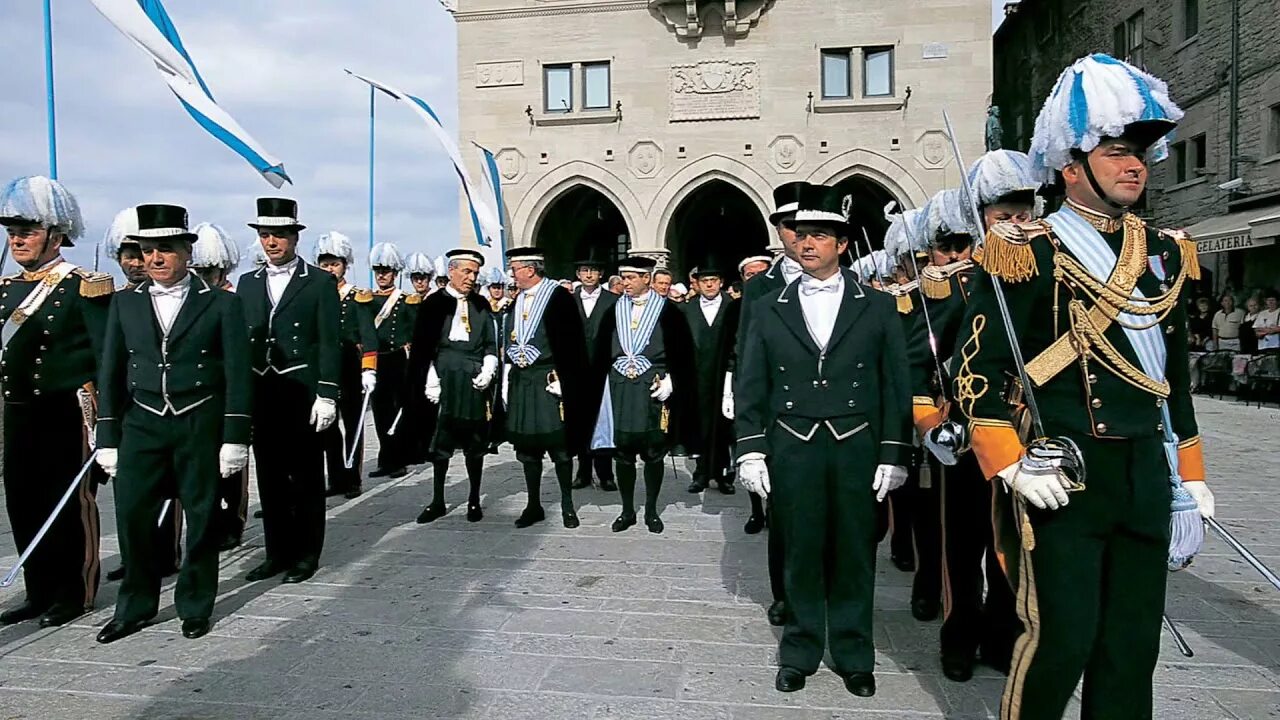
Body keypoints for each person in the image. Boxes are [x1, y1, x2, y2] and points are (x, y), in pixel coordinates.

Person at [951, 54, 1215, 719]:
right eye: (1118, 151)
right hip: (1066, 477)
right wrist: (1009, 463)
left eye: (1142, 155)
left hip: (1144, 479)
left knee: (1131, 650)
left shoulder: (1164, 252)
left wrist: (1190, 469)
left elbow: (1171, 380)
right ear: (1072, 166)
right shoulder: (1026, 249)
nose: (1136, 166)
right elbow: (977, 372)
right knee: (1061, 641)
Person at [735, 183, 911, 697]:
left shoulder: (877, 306)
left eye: (819, 236)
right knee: (801, 550)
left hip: (857, 442)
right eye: (801, 235)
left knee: (856, 551)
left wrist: (894, 453)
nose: (806, 244)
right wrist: (750, 447)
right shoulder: (769, 306)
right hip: (794, 443)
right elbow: (752, 380)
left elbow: (894, 382)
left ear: (841, 242)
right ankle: (800, 650)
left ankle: (855, 653)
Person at [93, 203, 252, 643]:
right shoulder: (124, 303)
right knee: (133, 516)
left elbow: (237, 372)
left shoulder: (221, 304)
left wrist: (234, 436)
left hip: (198, 420)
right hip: (142, 423)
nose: (154, 259)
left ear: (187, 252)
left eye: (165, 249)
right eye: (146, 251)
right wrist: (107, 435)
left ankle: (195, 605)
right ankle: (136, 606)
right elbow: (110, 371)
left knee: (201, 518)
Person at [914, 163, 1037, 683]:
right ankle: (959, 635)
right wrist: (928, 423)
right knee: (962, 546)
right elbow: (921, 360)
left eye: (1021, 214)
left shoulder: (1046, 272)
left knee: (1013, 543)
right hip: (966, 433)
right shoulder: (954, 284)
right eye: (1001, 215)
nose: (1013, 224)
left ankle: (1003, 634)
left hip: (1028, 431)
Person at [0, 176, 111, 628]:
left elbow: (106, 358)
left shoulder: (83, 286)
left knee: (67, 505)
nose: (17, 239)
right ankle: (39, 589)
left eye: (27, 230)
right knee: (22, 502)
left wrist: (108, 424)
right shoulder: (6, 288)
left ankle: (74, 591)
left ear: (57, 234)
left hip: (67, 411)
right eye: (12, 231)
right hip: (21, 409)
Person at [237, 197, 341, 585]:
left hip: (301, 389)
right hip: (263, 389)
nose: (271, 242)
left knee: (306, 476)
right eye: (265, 235)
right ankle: (276, 552)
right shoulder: (248, 283)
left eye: (279, 235)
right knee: (270, 475)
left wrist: (328, 393)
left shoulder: (318, 282)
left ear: (295, 237)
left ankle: (306, 554)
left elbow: (329, 341)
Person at [731, 181, 808, 627]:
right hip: (780, 420)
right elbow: (748, 358)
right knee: (782, 514)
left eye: (805, 226)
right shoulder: (761, 289)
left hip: (833, 419)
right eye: (788, 227)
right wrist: (750, 438)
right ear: (777, 230)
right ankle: (785, 592)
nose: (797, 235)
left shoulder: (842, 281)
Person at [100, 208, 184, 581]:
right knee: (130, 492)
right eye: (129, 255)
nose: (137, 262)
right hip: (132, 410)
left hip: (177, 409)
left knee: (170, 488)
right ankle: (135, 557)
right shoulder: (116, 299)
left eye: (141, 253)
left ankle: (166, 551)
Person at [591, 255, 698, 533]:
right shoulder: (613, 310)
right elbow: (599, 350)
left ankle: (651, 510)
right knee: (623, 451)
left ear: (646, 279)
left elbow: (685, 353)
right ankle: (627, 510)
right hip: (620, 389)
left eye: (630, 278)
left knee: (653, 451)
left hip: (653, 387)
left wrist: (672, 381)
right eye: (623, 278)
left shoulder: (670, 311)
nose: (625, 283)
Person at [501, 248, 591, 528]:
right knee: (528, 449)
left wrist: (567, 379)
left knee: (560, 448)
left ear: (530, 269)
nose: (512, 275)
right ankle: (533, 504)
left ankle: (567, 504)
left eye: (515, 269)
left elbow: (575, 342)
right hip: (523, 381)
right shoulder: (517, 300)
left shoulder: (558, 297)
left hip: (549, 379)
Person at [410, 249, 498, 523]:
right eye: (466, 272)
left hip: (472, 377)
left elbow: (490, 342)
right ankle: (438, 499)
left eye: (475, 273)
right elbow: (423, 346)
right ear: (451, 272)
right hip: (443, 375)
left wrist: (489, 366)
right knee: (441, 441)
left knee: (474, 440)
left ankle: (474, 499)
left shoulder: (482, 304)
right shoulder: (434, 303)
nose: (471, 278)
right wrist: (430, 377)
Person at [190, 222, 252, 550]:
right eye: (198, 270)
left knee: (232, 467)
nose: (204, 277)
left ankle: (234, 518)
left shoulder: (231, 301)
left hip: (226, 393)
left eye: (209, 271)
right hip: (198, 396)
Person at [313, 232, 378, 500]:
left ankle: (353, 478)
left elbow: (368, 334)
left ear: (345, 265)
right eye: (325, 264)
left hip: (350, 366)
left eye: (335, 264)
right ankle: (336, 476)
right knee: (326, 428)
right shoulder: (315, 294)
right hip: (324, 369)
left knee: (353, 426)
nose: (329, 269)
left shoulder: (356, 296)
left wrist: (368, 369)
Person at [681, 261, 736, 494]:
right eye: (705, 281)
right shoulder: (687, 309)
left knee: (724, 426)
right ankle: (701, 473)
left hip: (725, 375)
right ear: (697, 284)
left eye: (714, 280)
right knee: (700, 424)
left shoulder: (733, 307)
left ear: (721, 282)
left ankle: (724, 475)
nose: (710, 284)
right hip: (697, 376)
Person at [367, 242, 417, 479]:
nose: (381, 276)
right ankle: (385, 459)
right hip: (377, 360)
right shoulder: (367, 299)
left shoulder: (405, 300)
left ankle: (399, 460)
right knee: (379, 411)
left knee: (397, 411)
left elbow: (414, 329)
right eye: (378, 272)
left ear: (395, 274)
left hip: (397, 359)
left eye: (386, 272)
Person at [571, 246, 619, 491]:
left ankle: (606, 472)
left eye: (594, 271)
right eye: (584, 270)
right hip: (577, 370)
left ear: (601, 274)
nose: (589, 275)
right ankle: (582, 471)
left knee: (604, 421)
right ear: (578, 274)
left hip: (603, 370)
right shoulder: (569, 301)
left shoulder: (613, 301)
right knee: (580, 419)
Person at [103, 207, 149, 287]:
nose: (137, 264)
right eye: (130, 258)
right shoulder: (113, 298)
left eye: (142, 258)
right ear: (119, 260)